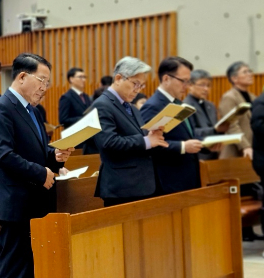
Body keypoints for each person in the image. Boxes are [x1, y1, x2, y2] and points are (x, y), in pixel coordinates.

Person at [0, 53, 73, 278]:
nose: (45, 87)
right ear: (21, 77)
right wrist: (41, 172)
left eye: (48, 82)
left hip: (36, 201)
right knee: (14, 269)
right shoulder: (1, 109)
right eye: (41, 80)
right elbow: (5, 156)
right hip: (16, 203)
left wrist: (54, 156)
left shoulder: (33, 111)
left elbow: (36, 151)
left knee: (31, 269)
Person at [92, 57, 167, 207]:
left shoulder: (131, 107)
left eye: (142, 85)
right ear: (119, 78)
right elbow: (108, 142)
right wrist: (146, 141)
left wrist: (151, 135)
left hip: (142, 184)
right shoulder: (102, 105)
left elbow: (136, 136)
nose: (138, 90)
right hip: (123, 187)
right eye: (135, 84)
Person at [140, 57, 203, 194]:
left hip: (187, 176)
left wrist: (206, 144)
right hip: (170, 180)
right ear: (166, 79)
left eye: (188, 81)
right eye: (183, 81)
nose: (186, 86)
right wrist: (183, 147)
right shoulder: (153, 106)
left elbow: (187, 135)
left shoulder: (178, 103)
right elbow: (149, 144)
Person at [183, 69, 229, 161]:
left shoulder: (210, 105)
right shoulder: (185, 106)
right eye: (202, 85)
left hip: (215, 153)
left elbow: (215, 127)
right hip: (198, 155)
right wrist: (214, 129)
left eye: (208, 85)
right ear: (190, 85)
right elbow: (191, 133)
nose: (206, 89)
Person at [219, 61, 254, 160]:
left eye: (250, 71)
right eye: (245, 72)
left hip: (253, 148)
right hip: (236, 151)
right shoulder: (229, 97)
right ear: (234, 78)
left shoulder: (253, 97)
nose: (250, 74)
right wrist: (245, 146)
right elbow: (231, 125)